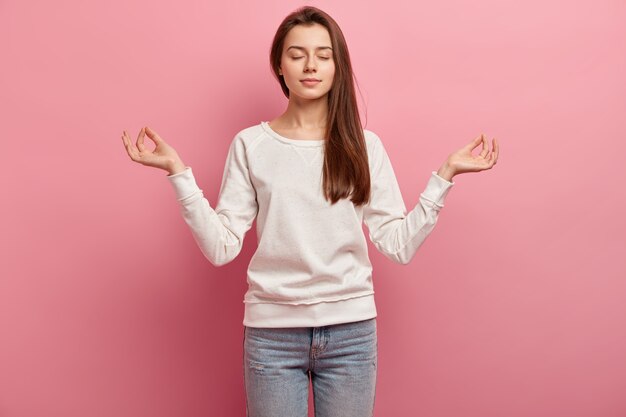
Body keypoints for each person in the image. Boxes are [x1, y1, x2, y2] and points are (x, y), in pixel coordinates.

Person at [121, 5, 498, 417]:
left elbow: (397, 244)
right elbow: (222, 247)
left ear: (338, 65)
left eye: (323, 54)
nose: (310, 65)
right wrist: (178, 173)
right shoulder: (251, 145)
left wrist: (444, 177)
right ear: (279, 66)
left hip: (352, 335)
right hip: (271, 337)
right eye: (297, 54)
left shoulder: (364, 147)